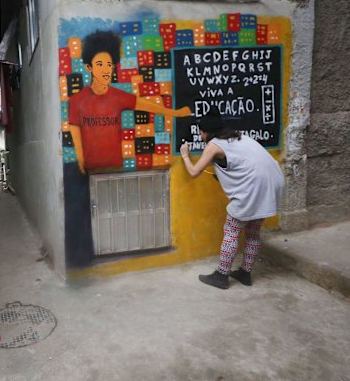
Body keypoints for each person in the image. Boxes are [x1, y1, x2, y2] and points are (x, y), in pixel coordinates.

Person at [180, 107, 284, 289]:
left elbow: (194, 172)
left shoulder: (213, 145)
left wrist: (185, 155)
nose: (201, 137)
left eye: (201, 133)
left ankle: (221, 275)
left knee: (232, 230)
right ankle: (245, 273)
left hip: (254, 187)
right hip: (272, 181)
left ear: (205, 132)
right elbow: (241, 164)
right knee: (253, 231)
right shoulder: (237, 137)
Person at [68, 30, 191, 173]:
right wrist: (80, 162)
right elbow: (75, 133)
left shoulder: (118, 97)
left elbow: (147, 105)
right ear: (89, 68)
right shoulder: (77, 100)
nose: (106, 70)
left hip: (116, 168)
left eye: (109, 64)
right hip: (91, 171)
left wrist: (175, 113)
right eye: (100, 64)